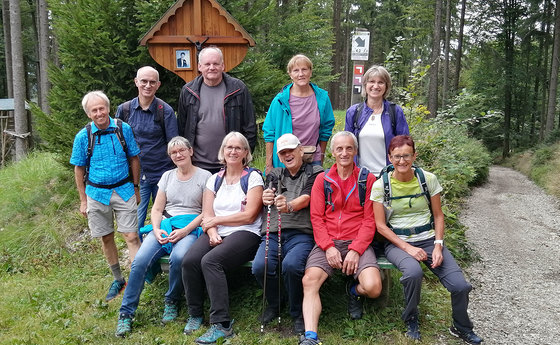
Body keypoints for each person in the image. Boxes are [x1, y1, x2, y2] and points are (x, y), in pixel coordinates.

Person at [371, 135, 483, 344]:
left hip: (428, 239)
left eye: (406, 156)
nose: (402, 161)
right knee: (413, 273)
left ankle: (461, 327)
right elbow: (380, 225)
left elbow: (438, 215)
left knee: (460, 286)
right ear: (389, 157)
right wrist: (408, 248)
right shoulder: (381, 185)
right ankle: (411, 318)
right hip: (397, 243)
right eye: (397, 156)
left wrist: (438, 246)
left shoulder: (427, 179)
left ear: (414, 155)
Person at [115, 136, 211, 337]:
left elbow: (206, 211)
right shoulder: (167, 176)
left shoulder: (205, 177)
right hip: (166, 225)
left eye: (182, 150)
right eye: (174, 153)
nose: (178, 155)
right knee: (140, 260)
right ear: (170, 157)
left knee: (179, 257)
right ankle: (126, 313)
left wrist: (185, 231)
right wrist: (157, 229)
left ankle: (172, 300)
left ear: (190, 151)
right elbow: (157, 209)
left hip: (191, 228)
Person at [299, 131, 382, 345]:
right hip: (329, 242)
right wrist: (327, 247)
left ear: (355, 151)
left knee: (373, 288)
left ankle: (353, 290)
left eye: (349, 148)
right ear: (333, 153)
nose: (344, 153)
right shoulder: (322, 180)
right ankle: (310, 337)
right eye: (339, 149)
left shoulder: (367, 179)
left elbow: (370, 220)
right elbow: (316, 218)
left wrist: (356, 249)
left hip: (357, 242)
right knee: (309, 281)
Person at [181, 132, 263, 344]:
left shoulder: (253, 177)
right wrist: (213, 231)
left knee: (211, 261)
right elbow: (207, 214)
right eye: (229, 147)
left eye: (238, 148)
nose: (233, 151)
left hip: (246, 232)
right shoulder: (213, 180)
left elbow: (250, 214)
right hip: (218, 231)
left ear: (246, 152)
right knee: (189, 261)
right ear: (223, 152)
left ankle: (222, 324)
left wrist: (216, 223)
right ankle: (195, 314)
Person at [70, 91, 141, 302]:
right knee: (106, 237)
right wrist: (83, 200)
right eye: (94, 110)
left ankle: (136, 281)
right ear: (88, 114)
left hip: (124, 189)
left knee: (132, 236)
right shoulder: (83, 136)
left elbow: (134, 158)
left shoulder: (122, 129)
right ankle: (118, 280)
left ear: (108, 108)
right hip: (96, 193)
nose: (99, 113)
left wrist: (136, 187)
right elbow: (79, 169)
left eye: (102, 108)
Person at [251, 133, 322, 335]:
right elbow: (270, 191)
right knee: (260, 266)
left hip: (301, 232)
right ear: (279, 156)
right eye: (283, 152)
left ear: (300, 150)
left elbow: (308, 197)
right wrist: (267, 196)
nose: (288, 155)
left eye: (291, 150)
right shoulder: (274, 173)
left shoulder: (315, 172)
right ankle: (275, 303)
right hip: (273, 231)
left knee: (292, 266)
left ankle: (297, 311)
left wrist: (289, 205)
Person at [115, 66, 179, 232]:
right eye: (144, 81)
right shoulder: (125, 110)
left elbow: (174, 145)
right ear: (136, 82)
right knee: (135, 223)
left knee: (164, 219)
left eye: (152, 82)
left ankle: (163, 251)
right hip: (136, 177)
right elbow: (117, 143)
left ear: (158, 85)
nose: (147, 85)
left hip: (162, 174)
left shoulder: (165, 111)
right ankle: (139, 256)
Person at [177, 46, 256, 174]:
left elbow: (250, 126)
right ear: (199, 66)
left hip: (230, 163)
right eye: (207, 64)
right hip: (197, 165)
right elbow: (181, 128)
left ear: (223, 66)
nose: (212, 67)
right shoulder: (188, 91)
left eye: (216, 63)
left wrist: (244, 157)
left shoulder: (238, 89)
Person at [263, 54, 335, 173]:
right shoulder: (280, 100)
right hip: (287, 158)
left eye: (304, 69)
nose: (301, 74)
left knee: (312, 191)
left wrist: (321, 156)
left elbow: (326, 130)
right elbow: (269, 133)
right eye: (296, 70)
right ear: (290, 74)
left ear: (310, 72)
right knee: (285, 192)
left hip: (312, 158)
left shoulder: (322, 98)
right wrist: (269, 165)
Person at [344, 65, 409, 175]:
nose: (375, 86)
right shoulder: (354, 112)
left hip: (388, 176)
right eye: (371, 82)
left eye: (380, 82)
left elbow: (405, 145)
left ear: (386, 86)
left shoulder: (395, 112)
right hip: (360, 177)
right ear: (365, 85)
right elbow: (346, 145)